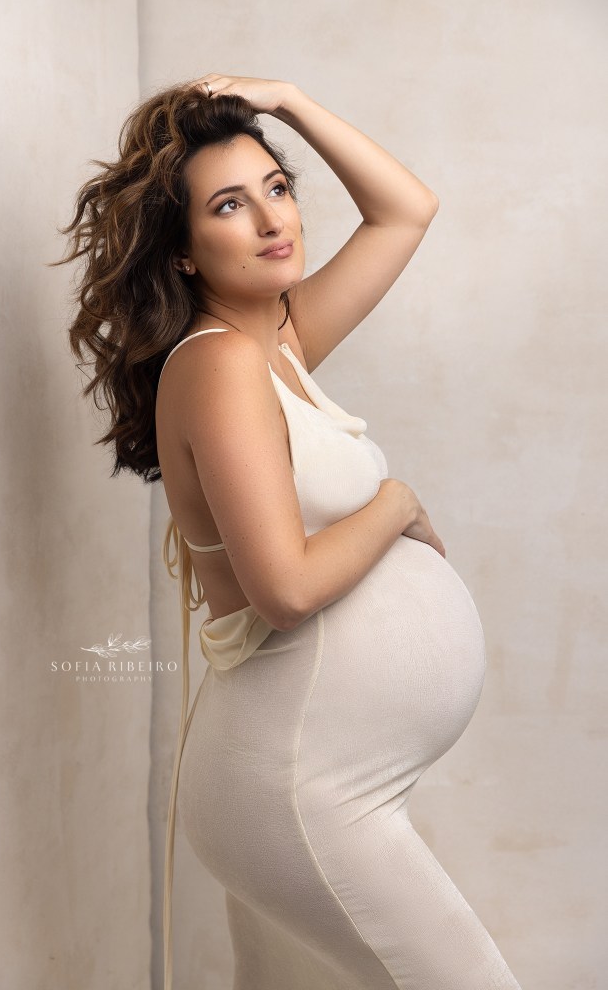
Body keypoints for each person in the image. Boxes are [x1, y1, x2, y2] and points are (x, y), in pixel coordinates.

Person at [54, 74, 522, 989]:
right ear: (184, 250)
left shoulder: (278, 339)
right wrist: (395, 502)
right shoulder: (222, 362)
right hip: (298, 787)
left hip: (314, 774)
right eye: (229, 204)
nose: (273, 220)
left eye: (278, 188)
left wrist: (291, 102)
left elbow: (403, 211)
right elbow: (286, 588)